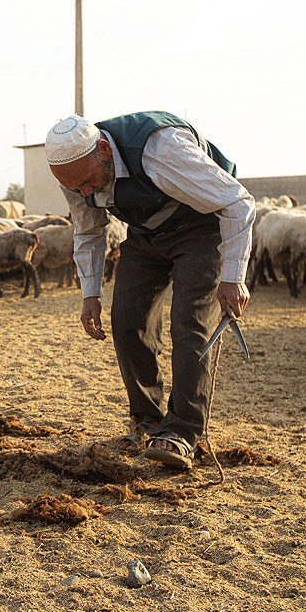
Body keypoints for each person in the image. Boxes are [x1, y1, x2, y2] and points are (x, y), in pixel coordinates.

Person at [45, 111, 255, 469]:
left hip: (199, 228)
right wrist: (90, 295)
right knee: (127, 320)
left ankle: (183, 432)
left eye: (86, 181)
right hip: (145, 235)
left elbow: (237, 202)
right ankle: (148, 420)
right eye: (73, 187)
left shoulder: (161, 149)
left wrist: (233, 277)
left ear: (103, 151)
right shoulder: (76, 175)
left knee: (190, 326)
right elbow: (88, 232)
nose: (83, 192)